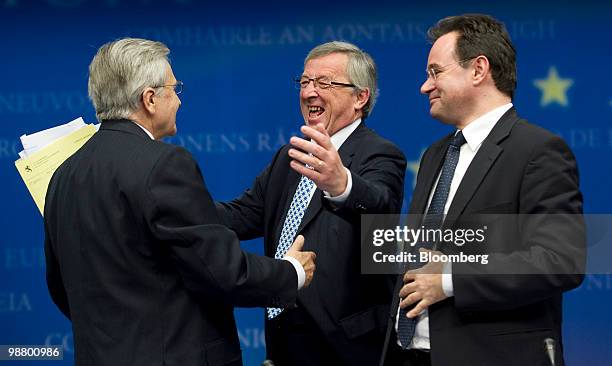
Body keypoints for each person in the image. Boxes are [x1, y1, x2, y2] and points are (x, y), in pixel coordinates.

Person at [43, 38, 316, 366]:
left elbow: (61, 287)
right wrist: (291, 272)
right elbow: (222, 272)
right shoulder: (165, 164)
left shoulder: (63, 174)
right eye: (175, 90)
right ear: (150, 99)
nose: (179, 102)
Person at [380, 14, 585, 366]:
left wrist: (448, 278)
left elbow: (561, 260)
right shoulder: (435, 155)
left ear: (478, 70)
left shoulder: (538, 150)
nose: (424, 87)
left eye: (435, 72)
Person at [216, 41, 406, 365]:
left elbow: (380, 207)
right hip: (285, 342)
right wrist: (179, 208)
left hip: (348, 348)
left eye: (324, 83)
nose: (309, 93)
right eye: (305, 82)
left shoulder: (380, 153)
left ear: (360, 97)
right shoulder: (289, 156)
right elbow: (242, 215)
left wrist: (341, 184)